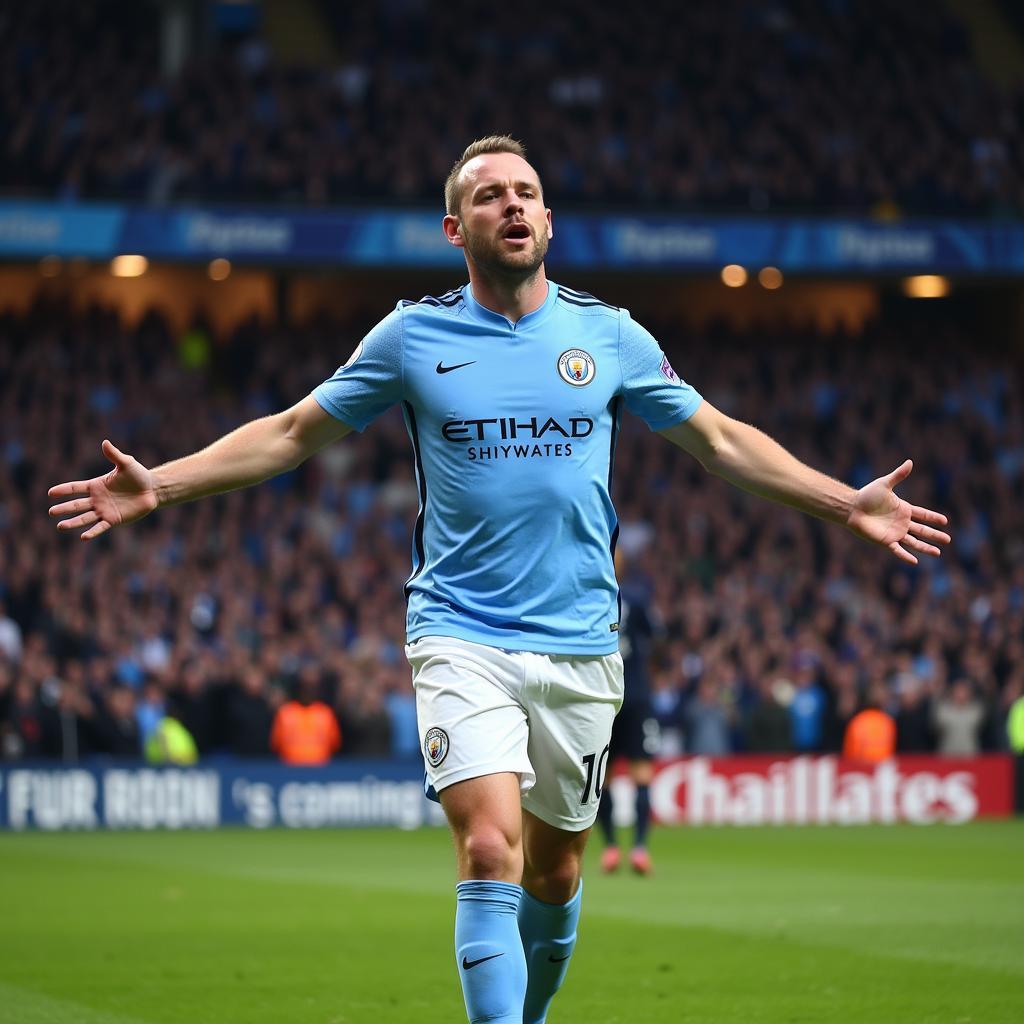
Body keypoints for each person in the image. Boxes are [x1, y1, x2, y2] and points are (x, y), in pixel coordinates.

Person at [48, 136, 951, 1024]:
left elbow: (718, 440)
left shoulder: (610, 336)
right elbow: (291, 434)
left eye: (526, 192)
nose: (512, 205)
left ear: (550, 222)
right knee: (490, 848)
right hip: (459, 631)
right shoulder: (412, 335)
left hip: (583, 644)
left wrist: (846, 505)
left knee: (555, 875)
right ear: (455, 228)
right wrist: (159, 484)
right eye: (489, 195)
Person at [595, 565, 662, 875]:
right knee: (634, 774)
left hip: (604, 695)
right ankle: (635, 848)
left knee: (605, 775)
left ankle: (617, 848)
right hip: (630, 695)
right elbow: (656, 637)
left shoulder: (588, 594)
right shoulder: (635, 596)